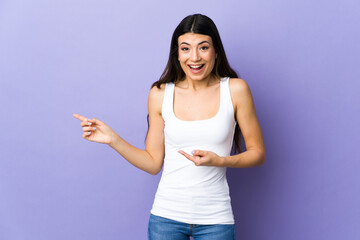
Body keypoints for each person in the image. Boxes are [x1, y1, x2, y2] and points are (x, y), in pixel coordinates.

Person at [73, 13, 265, 240]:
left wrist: (220, 161)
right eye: (185, 49)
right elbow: (153, 163)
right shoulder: (160, 93)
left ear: (216, 51)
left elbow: (258, 153)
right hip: (166, 217)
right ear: (177, 54)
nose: (194, 57)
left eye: (203, 47)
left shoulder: (235, 90)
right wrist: (113, 139)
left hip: (215, 218)